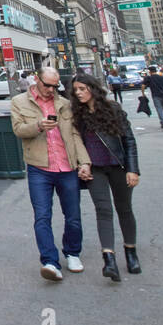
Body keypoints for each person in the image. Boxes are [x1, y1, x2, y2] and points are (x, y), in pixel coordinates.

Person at [11, 67, 92, 281]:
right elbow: (18, 130)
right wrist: (38, 126)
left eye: (55, 86)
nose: (51, 89)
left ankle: (73, 252)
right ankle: (49, 261)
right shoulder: (20, 102)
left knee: (73, 216)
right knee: (42, 216)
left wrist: (84, 162)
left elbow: (74, 135)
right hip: (39, 167)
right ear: (37, 79)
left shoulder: (65, 104)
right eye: (47, 85)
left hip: (66, 166)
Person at [69, 73, 141, 281]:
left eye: (83, 89)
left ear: (93, 88)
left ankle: (130, 251)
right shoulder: (78, 115)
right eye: (76, 90)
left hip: (118, 166)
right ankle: (108, 258)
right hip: (96, 169)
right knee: (103, 210)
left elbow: (129, 141)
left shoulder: (113, 110)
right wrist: (81, 165)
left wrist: (133, 169)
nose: (79, 93)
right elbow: (77, 143)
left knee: (124, 209)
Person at [142, 65, 163, 130]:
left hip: (156, 96)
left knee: (159, 109)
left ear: (150, 72)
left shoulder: (148, 78)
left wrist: (143, 93)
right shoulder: (161, 77)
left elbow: (143, 86)